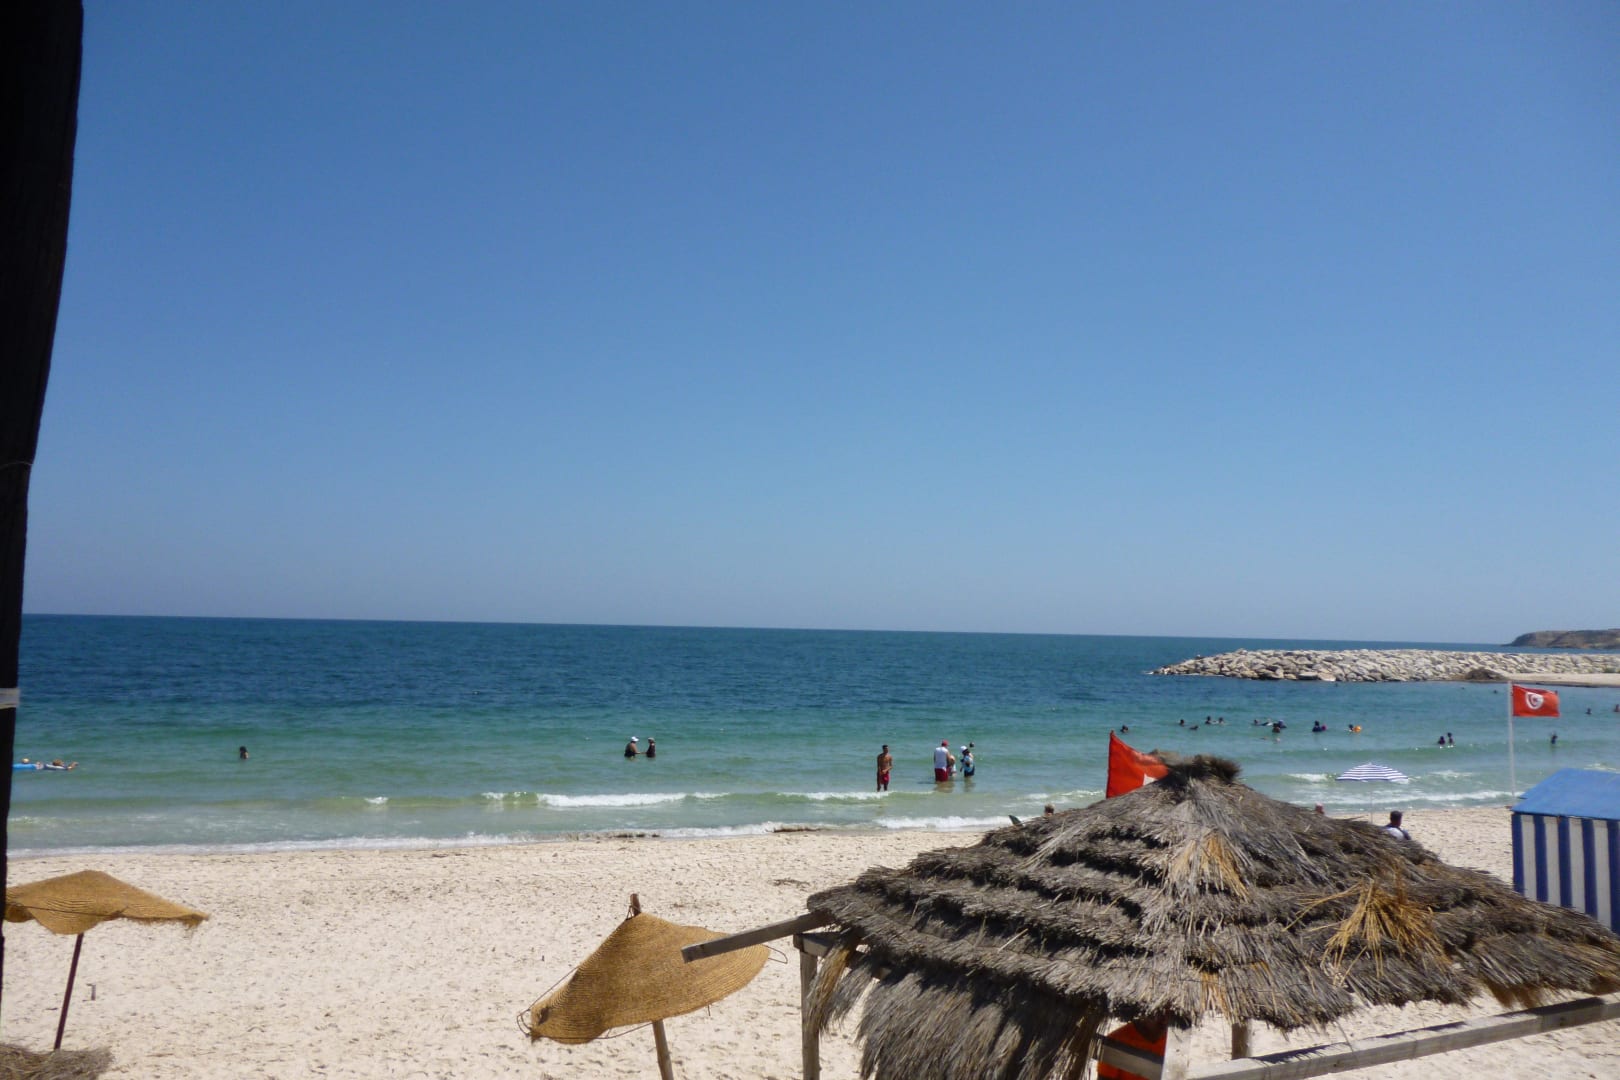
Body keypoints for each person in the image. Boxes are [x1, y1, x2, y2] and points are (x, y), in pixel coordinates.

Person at [1096, 1015, 1169, 1080]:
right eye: (1160, 1013)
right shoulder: (1115, 1043)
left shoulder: (1172, 1042)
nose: (1165, 1020)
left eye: (1170, 1014)